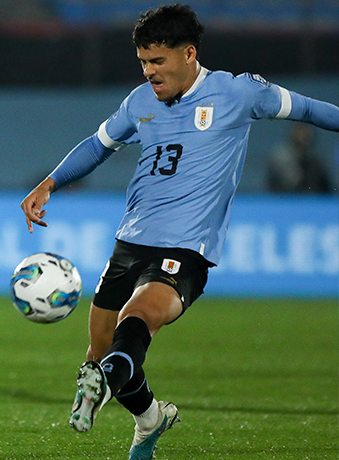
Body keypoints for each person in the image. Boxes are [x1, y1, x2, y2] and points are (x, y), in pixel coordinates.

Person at [19, 5, 339, 460]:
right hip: (130, 241)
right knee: (101, 349)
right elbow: (98, 145)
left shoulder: (239, 92)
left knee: (138, 319)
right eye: (144, 62)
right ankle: (149, 418)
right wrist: (49, 183)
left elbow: (307, 108)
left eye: (158, 61)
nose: (149, 72)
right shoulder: (139, 102)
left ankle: (105, 385)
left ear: (189, 53)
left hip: (186, 249)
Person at [267, 123, 334, 193]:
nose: (303, 136)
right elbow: (288, 184)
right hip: (284, 200)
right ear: (293, 133)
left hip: (313, 200)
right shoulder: (281, 157)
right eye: (300, 132)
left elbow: (326, 187)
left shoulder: (316, 161)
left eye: (306, 132)